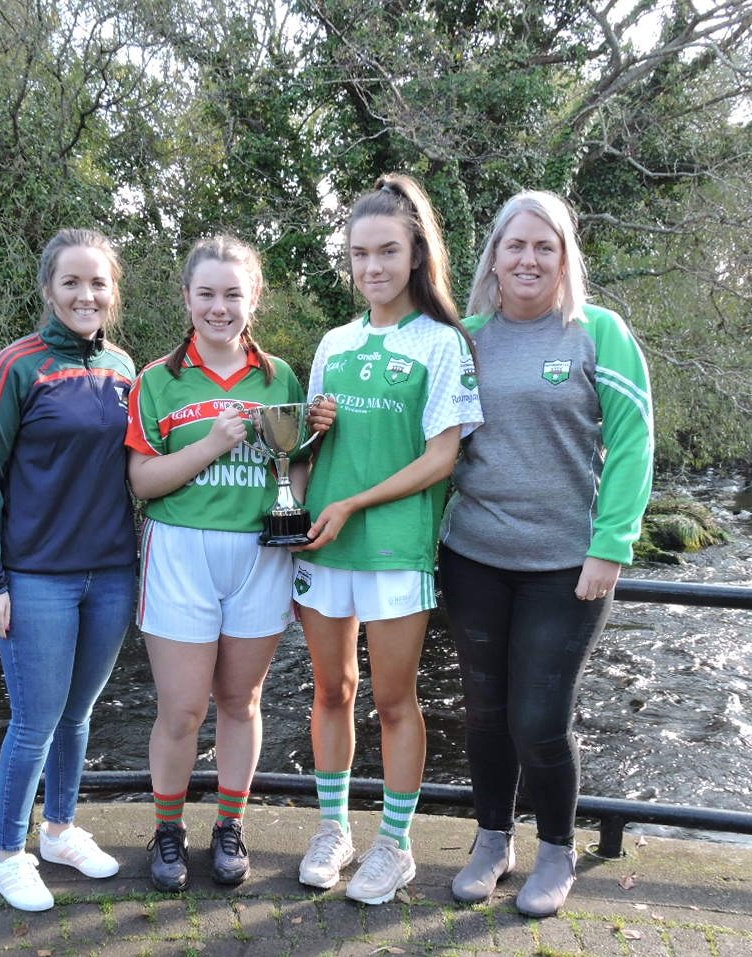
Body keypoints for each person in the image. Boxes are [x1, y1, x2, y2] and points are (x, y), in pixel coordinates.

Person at [437, 190, 653, 918]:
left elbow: (633, 442)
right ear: (494, 256)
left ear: (565, 258)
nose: (528, 259)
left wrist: (611, 544)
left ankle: (557, 848)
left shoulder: (598, 333)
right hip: (473, 557)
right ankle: (492, 840)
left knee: (538, 719)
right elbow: (432, 443)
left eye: (544, 246)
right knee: (484, 713)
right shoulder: (464, 338)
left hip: (567, 566)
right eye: (516, 245)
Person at [292, 174, 483, 905]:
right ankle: (333, 829)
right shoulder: (333, 342)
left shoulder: (443, 343)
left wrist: (354, 503)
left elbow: (442, 457)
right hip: (324, 542)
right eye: (359, 254)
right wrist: (308, 455)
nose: (372, 267)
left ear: (416, 255)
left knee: (395, 700)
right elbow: (306, 449)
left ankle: (396, 844)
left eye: (387, 251)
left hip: (395, 545)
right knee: (331, 689)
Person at [126, 235, 333, 892]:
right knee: (182, 709)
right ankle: (167, 830)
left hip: (257, 554)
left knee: (241, 701)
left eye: (233, 294)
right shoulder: (157, 380)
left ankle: (230, 825)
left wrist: (300, 488)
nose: (220, 307)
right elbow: (142, 481)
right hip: (180, 552)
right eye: (207, 294)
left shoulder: (280, 378)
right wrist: (210, 445)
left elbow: (293, 468)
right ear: (187, 298)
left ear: (254, 299)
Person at [0, 228, 138, 911]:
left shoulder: (123, 368)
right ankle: (8, 852)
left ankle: (60, 829)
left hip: (111, 574)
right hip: (36, 577)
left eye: (98, 283)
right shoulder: (16, 366)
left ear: (113, 292)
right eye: (72, 282)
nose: (85, 294)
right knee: (35, 720)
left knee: (78, 715)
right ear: (48, 289)